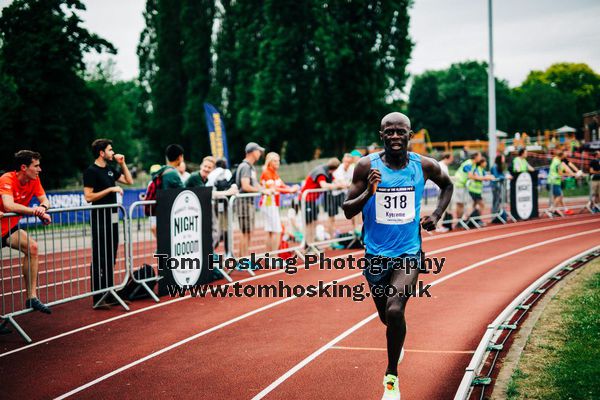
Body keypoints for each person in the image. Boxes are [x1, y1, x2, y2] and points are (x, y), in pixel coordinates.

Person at [342, 112, 452, 400]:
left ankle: (391, 377)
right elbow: (347, 209)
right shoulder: (367, 166)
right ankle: (397, 338)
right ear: (381, 135)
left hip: (408, 252)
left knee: (394, 309)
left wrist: (437, 215)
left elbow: (448, 184)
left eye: (399, 131)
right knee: (386, 318)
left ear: (409, 135)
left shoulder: (423, 166)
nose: (394, 136)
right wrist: (369, 192)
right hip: (376, 254)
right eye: (388, 131)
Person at [0, 150, 52, 314]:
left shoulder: (34, 180)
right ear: (24, 167)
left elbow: (45, 200)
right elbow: (9, 205)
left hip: (8, 227)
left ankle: (32, 298)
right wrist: (34, 211)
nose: (39, 169)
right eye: (36, 166)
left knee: (32, 248)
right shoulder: (7, 179)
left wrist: (42, 209)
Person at [83, 139, 133, 308]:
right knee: (100, 258)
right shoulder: (91, 171)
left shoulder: (111, 169)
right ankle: (98, 297)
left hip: (112, 218)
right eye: (110, 150)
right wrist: (110, 189)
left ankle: (109, 293)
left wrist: (123, 163)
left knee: (111, 257)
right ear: (101, 153)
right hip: (99, 218)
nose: (113, 152)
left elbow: (129, 181)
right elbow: (88, 197)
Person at [235, 142, 269, 261]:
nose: (260, 153)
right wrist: (262, 192)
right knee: (245, 232)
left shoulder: (251, 167)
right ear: (252, 152)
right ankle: (241, 260)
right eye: (258, 151)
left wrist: (263, 189)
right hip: (243, 203)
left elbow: (254, 184)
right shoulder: (245, 166)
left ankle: (243, 259)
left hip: (248, 203)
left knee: (249, 232)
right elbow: (245, 186)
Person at [260, 152, 299, 251]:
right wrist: (290, 190)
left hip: (272, 204)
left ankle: (269, 256)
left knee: (270, 230)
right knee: (277, 230)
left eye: (278, 160)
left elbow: (282, 185)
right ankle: (273, 256)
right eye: (275, 160)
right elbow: (275, 188)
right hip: (268, 203)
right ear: (269, 162)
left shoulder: (274, 173)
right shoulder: (267, 173)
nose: (278, 163)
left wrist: (292, 188)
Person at [300, 158, 344, 247]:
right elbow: (323, 185)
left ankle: (311, 244)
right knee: (309, 224)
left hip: (312, 200)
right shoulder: (321, 173)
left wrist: (342, 184)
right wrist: (337, 186)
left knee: (314, 222)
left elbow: (336, 181)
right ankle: (307, 245)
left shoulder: (327, 171)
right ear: (335, 169)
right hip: (307, 199)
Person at [327, 153, 354, 238]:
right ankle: (331, 237)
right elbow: (342, 184)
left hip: (343, 193)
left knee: (353, 209)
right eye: (346, 162)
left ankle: (355, 230)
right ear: (343, 161)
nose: (347, 164)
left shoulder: (352, 169)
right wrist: (347, 185)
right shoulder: (338, 169)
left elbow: (354, 181)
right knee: (331, 216)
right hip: (332, 194)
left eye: (349, 162)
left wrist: (347, 185)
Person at [453, 152, 482, 226]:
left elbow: (474, 175)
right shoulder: (468, 163)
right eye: (480, 156)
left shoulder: (474, 164)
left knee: (467, 203)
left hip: (464, 185)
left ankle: (463, 219)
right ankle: (459, 221)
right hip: (459, 184)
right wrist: (484, 178)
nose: (481, 158)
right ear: (475, 157)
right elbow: (471, 176)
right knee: (460, 204)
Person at [548, 150, 579, 215]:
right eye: (563, 156)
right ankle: (552, 209)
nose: (564, 158)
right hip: (554, 181)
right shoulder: (558, 162)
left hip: (554, 181)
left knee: (558, 196)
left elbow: (561, 170)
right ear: (561, 156)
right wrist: (570, 174)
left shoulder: (555, 160)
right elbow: (560, 173)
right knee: (559, 195)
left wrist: (571, 174)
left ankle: (555, 209)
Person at [467, 158, 494, 225]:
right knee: (482, 205)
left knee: (474, 205)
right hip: (473, 190)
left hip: (477, 191)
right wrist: (486, 178)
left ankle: (470, 220)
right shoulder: (476, 169)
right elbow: (477, 178)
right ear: (481, 163)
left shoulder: (482, 169)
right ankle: (477, 220)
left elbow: (485, 176)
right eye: (485, 162)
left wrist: (490, 177)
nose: (486, 164)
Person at [436, 152, 454, 232]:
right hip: (442, 189)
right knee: (441, 208)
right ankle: (438, 226)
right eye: (451, 159)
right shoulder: (441, 166)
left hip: (443, 189)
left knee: (443, 208)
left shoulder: (443, 166)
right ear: (447, 158)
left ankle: (440, 225)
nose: (452, 160)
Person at [490, 154, 510, 223]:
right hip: (495, 186)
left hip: (499, 186)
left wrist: (504, 176)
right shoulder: (495, 166)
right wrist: (504, 177)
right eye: (503, 158)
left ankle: (498, 213)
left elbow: (501, 175)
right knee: (496, 200)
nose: (504, 159)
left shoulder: (499, 166)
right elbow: (496, 176)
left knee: (499, 200)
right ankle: (494, 215)